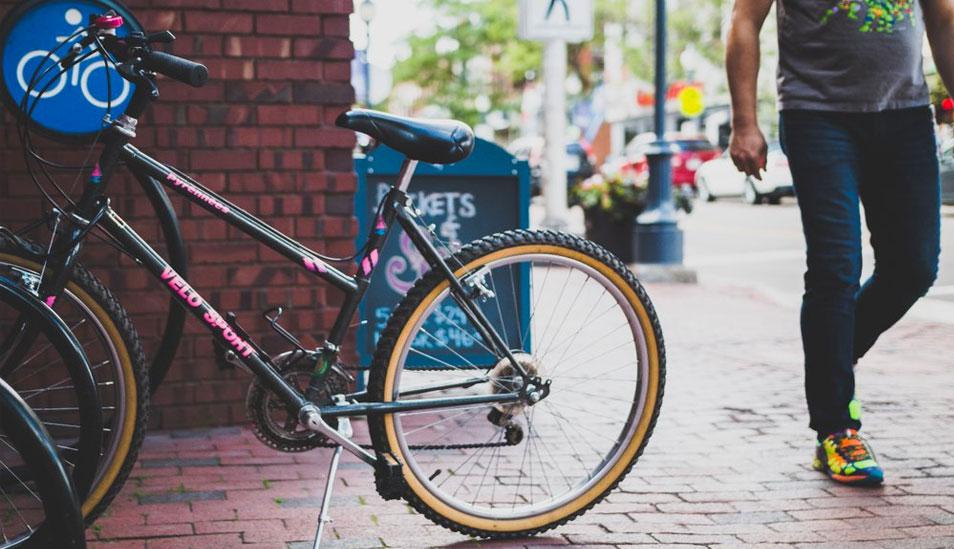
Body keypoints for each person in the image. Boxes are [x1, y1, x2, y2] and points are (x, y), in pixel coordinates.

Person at [725, 0, 952, 485]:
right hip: (817, 116)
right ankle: (836, 430)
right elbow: (745, 21)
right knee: (835, 267)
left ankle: (833, 356)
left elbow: (944, 17)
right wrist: (744, 121)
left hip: (906, 115)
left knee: (914, 267)